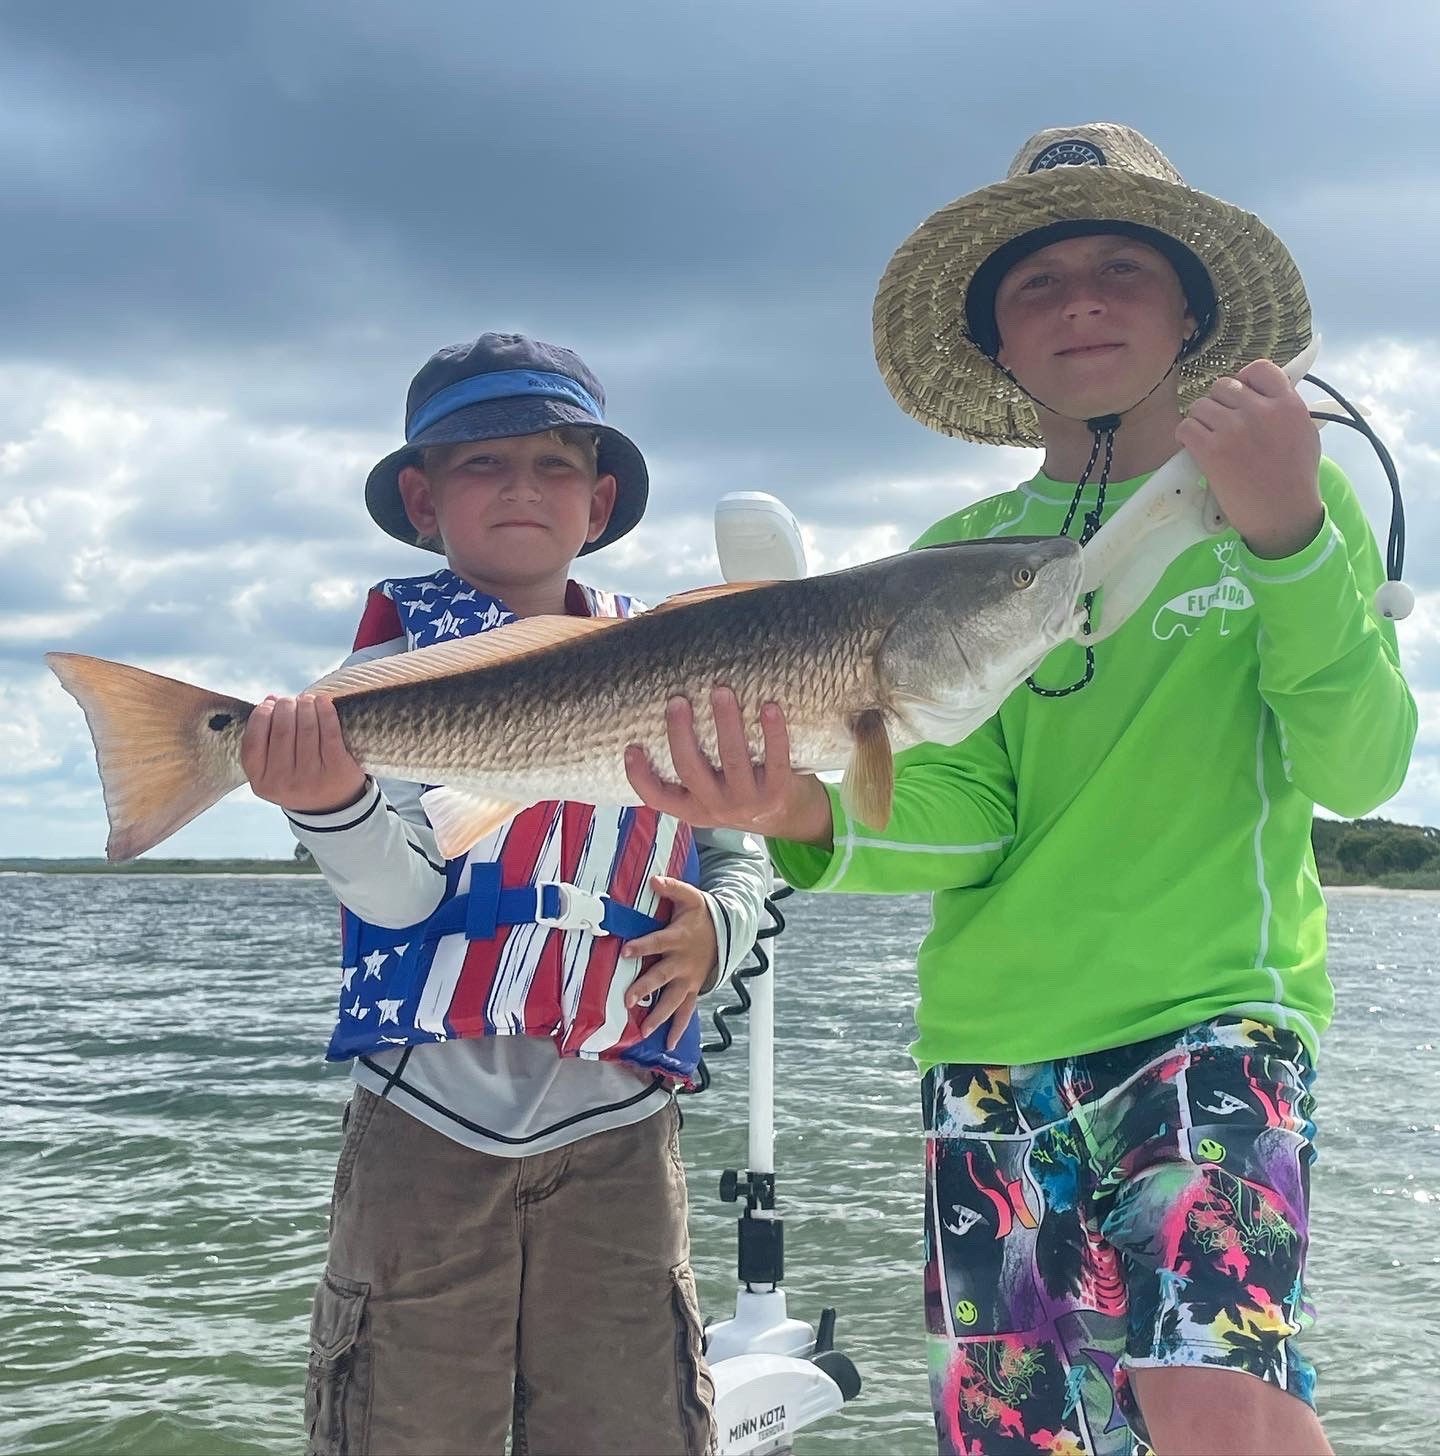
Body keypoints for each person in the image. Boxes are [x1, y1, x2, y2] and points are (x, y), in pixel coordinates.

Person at [625, 124, 1416, 1455]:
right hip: (987, 1051)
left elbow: (1362, 765)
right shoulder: (957, 555)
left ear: (1193, 309)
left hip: (1217, 1019)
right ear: (995, 338)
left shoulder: (1295, 501)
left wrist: (1286, 536)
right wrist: (807, 816)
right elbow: (969, 823)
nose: (1082, 302)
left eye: (1122, 267)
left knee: (1216, 1390)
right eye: (1038, 282)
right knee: (1021, 1435)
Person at [242, 332, 769, 1456]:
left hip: (622, 1123)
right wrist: (327, 804)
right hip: (424, 1118)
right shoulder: (373, 683)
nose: (522, 487)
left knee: (635, 1423)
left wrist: (722, 926)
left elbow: (742, 839)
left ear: (600, 499)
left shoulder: (678, 651)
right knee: (406, 1423)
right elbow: (396, 900)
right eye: (482, 462)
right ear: (423, 499)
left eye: (554, 463)